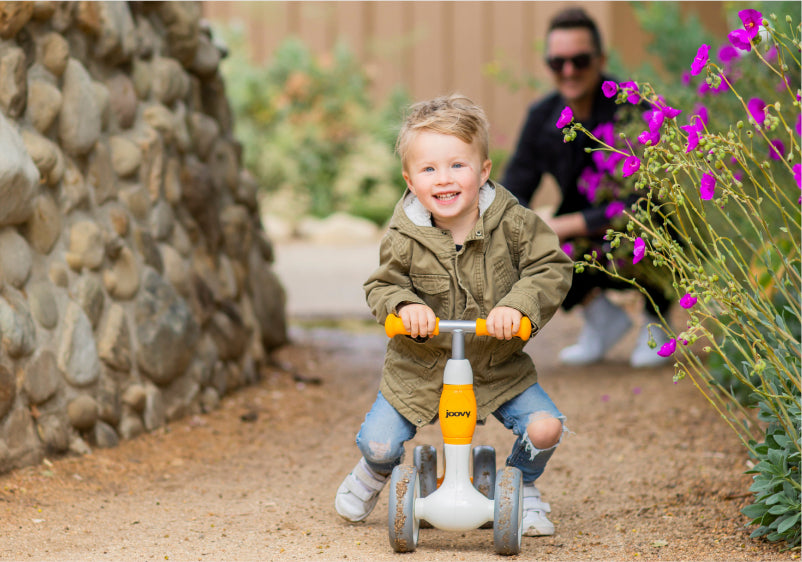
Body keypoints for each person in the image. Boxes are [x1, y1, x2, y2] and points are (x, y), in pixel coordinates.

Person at [334, 94, 573, 537]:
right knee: (380, 442)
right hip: (419, 369)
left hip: (496, 365)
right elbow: (382, 285)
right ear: (410, 179)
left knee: (544, 428)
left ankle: (523, 486)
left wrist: (517, 306)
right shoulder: (405, 235)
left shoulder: (515, 224)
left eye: (457, 166)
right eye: (429, 169)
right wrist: (405, 307)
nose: (443, 179)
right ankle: (374, 471)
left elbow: (551, 267)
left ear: (483, 171)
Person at [502, 7, 672, 368]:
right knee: (510, 236)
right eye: (557, 62)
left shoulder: (630, 108)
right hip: (585, 236)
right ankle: (601, 318)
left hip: (640, 231)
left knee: (655, 222)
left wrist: (561, 225)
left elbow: (643, 200)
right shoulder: (542, 116)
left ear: (600, 59)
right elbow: (514, 188)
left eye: (579, 60)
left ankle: (657, 320)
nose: (568, 71)